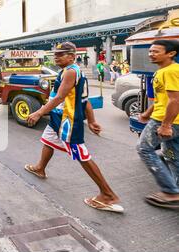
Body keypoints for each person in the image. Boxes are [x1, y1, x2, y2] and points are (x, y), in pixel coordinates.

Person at [25, 42, 123, 213]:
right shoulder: (67, 71)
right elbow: (84, 99)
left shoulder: (71, 72)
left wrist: (39, 113)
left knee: (81, 155)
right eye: (55, 54)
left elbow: (60, 97)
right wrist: (92, 121)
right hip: (57, 116)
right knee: (48, 140)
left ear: (72, 56)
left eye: (61, 54)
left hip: (67, 121)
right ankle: (40, 168)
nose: (56, 57)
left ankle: (107, 195)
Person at [137, 39, 179, 209]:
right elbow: (165, 98)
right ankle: (176, 190)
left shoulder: (170, 71)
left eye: (156, 51)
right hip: (169, 119)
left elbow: (175, 100)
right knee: (172, 156)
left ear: (171, 54)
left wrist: (166, 125)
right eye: (150, 51)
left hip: (166, 121)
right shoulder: (166, 71)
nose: (151, 54)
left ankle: (170, 191)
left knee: (144, 149)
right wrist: (147, 113)